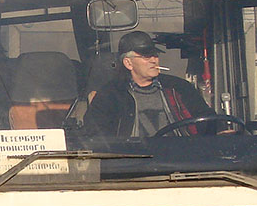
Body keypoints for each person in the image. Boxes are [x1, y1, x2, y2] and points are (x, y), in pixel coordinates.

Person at [82, 31, 212, 139]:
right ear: (128, 63)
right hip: (135, 163)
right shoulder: (110, 95)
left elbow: (206, 118)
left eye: (155, 55)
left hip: (182, 157)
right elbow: (96, 134)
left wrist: (219, 128)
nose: (154, 60)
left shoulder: (179, 87)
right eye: (146, 56)